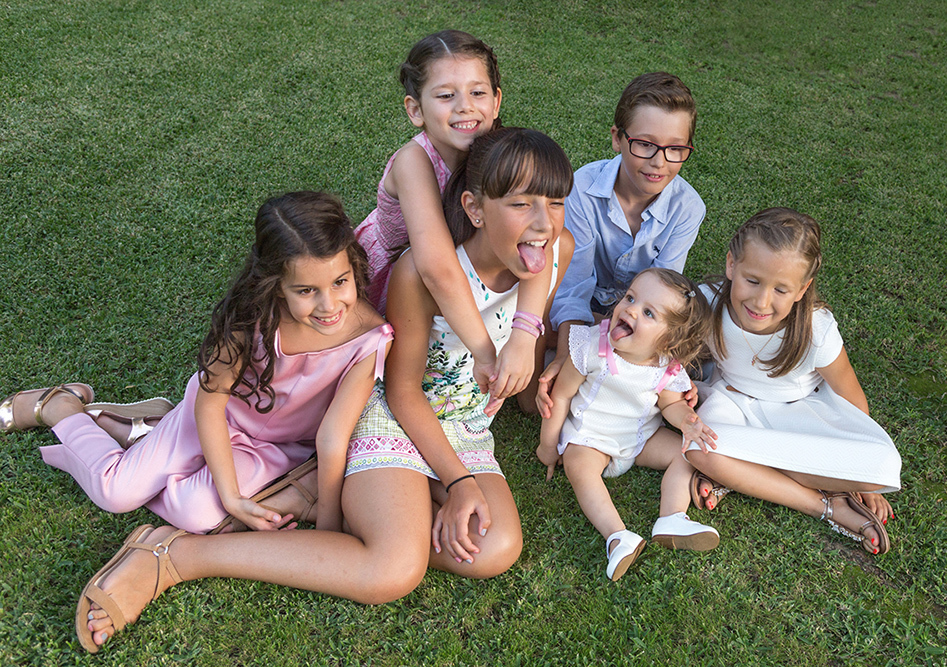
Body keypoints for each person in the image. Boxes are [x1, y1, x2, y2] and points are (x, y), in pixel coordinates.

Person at [73, 127, 575, 653]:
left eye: (556, 202)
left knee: (495, 549)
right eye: (521, 204)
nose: (543, 222)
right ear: (474, 208)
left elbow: (549, 258)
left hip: (467, 427)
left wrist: (530, 343)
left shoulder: (551, 247)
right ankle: (175, 557)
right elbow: (402, 393)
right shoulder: (420, 275)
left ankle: (344, 504)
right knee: (393, 571)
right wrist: (458, 481)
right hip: (395, 418)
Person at [1, 191, 392, 536]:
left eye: (340, 282)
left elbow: (332, 436)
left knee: (197, 514)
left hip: (275, 448)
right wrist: (231, 496)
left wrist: (327, 525)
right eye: (306, 291)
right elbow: (211, 401)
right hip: (213, 415)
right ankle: (61, 408)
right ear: (275, 284)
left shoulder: (369, 338)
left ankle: (146, 434)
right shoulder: (252, 317)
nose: (329, 305)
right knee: (115, 494)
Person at [354, 30, 553, 410]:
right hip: (401, 279)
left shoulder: (505, 152)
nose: (465, 107)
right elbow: (437, 269)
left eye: (477, 93)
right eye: (446, 96)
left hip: (468, 266)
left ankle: (528, 343)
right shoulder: (414, 163)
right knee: (369, 372)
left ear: (496, 102)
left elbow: (545, 236)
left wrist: (525, 335)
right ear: (415, 110)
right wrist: (485, 352)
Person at [685, 207, 901, 555]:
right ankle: (823, 505)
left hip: (802, 414)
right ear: (731, 265)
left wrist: (865, 484)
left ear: (802, 289)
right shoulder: (708, 301)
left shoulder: (817, 329)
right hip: (732, 404)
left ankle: (746, 477)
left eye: (781, 289)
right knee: (698, 449)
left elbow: (851, 397)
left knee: (884, 468)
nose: (761, 301)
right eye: (752, 280)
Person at [537, 268, 719, 581]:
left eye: (648, 312)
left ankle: (673, 516)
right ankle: (618, 536)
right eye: (631, 297)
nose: (630, 309)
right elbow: (562, 396)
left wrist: (687, 422)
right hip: (590, 438)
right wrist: (547, 444)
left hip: (640, 438)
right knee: (579, 468)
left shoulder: (666, 367)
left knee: (684, 452)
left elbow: (671, 404)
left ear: (668, 340)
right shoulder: (593, 349)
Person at [539, 72, 706, 410]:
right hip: (579, 310)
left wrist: (664, 359)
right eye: (645, 144)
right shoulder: (582, 191)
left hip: (637, 317)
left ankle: (627, 366)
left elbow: (663, 293)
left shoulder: (688, 208)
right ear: (618, 138)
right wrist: (569, 353)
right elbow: (573, 287)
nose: (659, 162)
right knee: (537, 379)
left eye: (675, 149)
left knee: (703, 337)